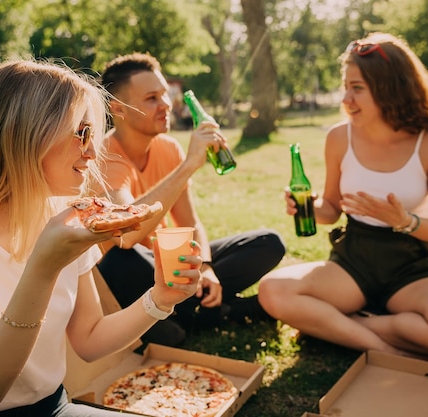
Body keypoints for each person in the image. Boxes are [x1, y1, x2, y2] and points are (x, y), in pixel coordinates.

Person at [0, 59, 202, 416]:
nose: (93, 152)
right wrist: (44, 267)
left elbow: (89, 339)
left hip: (52, 406)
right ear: (23, 133)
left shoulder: (66, 214)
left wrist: (160, 299)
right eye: (81, 133)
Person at [258, 32, 428, 360]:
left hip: (413, 263)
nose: (346, 99)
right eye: (346, 87)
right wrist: (306, 208)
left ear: (391, 87)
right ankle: (384, 349)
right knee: (273, 291)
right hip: (354, 259)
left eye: (358, 88)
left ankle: (339, 324)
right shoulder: (339, 137)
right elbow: (331, 210)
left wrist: (403, 220)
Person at [94, 53, 286, 346]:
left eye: (165, 94)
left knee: (268, 242)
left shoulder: (169, 148)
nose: (167, 105)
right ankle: (214, 313)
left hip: (173, 268)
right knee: (122, 260)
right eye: (152, 98)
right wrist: (188, 166)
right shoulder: (106, 158)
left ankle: (193, 314)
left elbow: (190, 221)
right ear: (118, 109)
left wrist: (206, 266)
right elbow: (126, 235)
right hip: (136, 278)